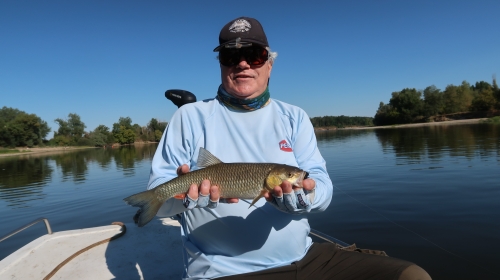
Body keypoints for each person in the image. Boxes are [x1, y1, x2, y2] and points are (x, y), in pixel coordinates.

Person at [148, 16, 431, 280]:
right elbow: (159, 200)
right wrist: (184, 197)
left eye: (255, 55)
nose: (243, 64)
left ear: (269, 64)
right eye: (231, 56)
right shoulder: (189, 117)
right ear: (221, 64)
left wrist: (304, 198)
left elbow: (321, 185)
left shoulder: (294, 117)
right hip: (223, 270)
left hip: (305, 259)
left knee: (411, 275)